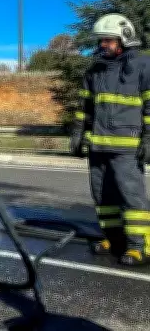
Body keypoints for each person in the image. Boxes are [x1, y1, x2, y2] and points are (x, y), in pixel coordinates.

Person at [70, 13, 150, 266]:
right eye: (101, 40)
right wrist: (77, 134)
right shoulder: (95, 70)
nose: (103, 44)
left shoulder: (143, 65)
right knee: (102, 196)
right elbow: (85, 106)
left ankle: (139, 246)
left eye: (108, 40)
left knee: (131, 196)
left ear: (124, 38)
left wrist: (149, 139)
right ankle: (114, 239)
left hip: (127, 147)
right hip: (98, 145)